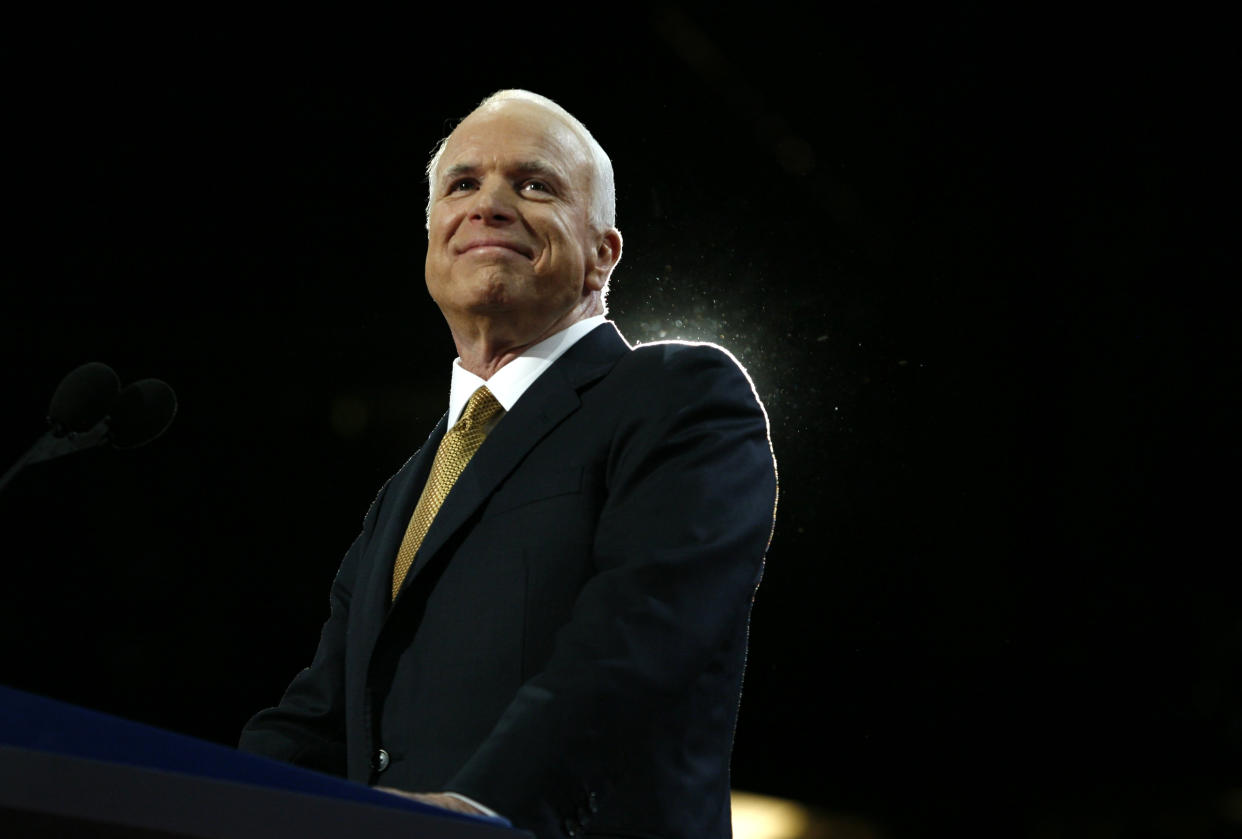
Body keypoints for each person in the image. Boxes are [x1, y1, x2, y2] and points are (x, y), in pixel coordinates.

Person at [239, 89, 778, 838]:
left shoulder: (680, 398)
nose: (487, 204)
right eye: (462, 184)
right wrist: (195, 801)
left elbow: (636, 640)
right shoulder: (404, 492)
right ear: (432, 235)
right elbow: (318, 718)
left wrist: (485, 810)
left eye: (534, 184)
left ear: (602, 251)